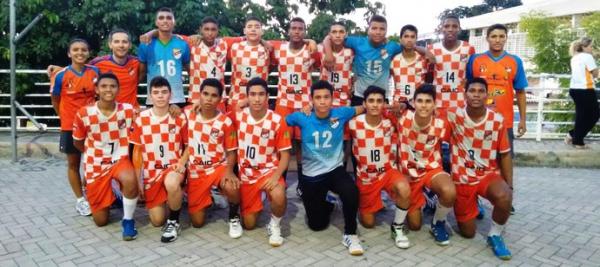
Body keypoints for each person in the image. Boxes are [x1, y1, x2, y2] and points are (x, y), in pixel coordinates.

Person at [286, 80, 364, 255]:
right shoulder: (302, 117)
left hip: (334, 170)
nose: (322, 101)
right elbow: (283, 121)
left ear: (332, 98)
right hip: (311, 176)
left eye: (326, 97)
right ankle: (329, 200)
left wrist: (394, 106)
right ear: (311, 100)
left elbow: (362, 108)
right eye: (318, 98)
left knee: (351, 190)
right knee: (317, 225)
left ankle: (351, 234)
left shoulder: (340, 113)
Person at [447, 78, 514, 260]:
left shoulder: (497, 120)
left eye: (481, 91)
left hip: (487, 175)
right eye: (472, 90)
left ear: (487, 95)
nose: (476, 94)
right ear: (465, 94)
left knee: (505, 196)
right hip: (462, 179)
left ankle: (494, 235)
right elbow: (426, 118)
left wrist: (510, 186)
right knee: (468, 233)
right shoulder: (453, 116)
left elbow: (505, 154)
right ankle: (472, 203)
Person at [72, 73, 139, 240]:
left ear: (118, 89)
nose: (108, 89)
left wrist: (173, 108)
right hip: (96, 163)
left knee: (130, 179)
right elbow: (78, 143)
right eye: (104, 86)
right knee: (101, 221)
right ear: (96, 89)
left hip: (119, 159)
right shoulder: (84, 113)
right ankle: (113, 196)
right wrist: (92, 156)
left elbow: (150, 117)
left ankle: (128, 220)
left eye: (113, 86)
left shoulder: (128, 110)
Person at [347, 86, 411, 249]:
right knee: (368, 223)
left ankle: (397, 226)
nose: (375, 105)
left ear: (384, 104)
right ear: (364, 104)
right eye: (371, 101)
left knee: (404, 187)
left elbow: (413, 112)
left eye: (379, 101)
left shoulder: (391, 121)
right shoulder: (353, 124)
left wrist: (403, 105)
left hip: (387, 172)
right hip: (367, 178)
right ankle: (374, 201)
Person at [179, 78, 243, 238]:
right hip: (196, 171)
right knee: (197, 223)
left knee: (232, 186)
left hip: (217, 167)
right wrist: (174, 106)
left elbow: (231, 152)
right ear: (199, 95)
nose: (208, 98)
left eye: (214, 96)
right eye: (205, 94)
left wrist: (229, 171)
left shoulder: (225, 122)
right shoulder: (188, 113)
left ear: (220, 99)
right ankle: (212, 198)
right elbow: (169, 111)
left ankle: (234, 217)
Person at [322, 15, 433, 106]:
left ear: (386, 31)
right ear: (368, 29)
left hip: (381, 98)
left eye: (382, 29)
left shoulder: (392, 46)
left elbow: (409, 46)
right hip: (360, 96)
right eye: (374, 28)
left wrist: (423, 50)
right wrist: (328, 53)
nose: (378, 32)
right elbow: (332, 37)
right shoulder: (357, 42)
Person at [232, 77, 290, 246]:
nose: (257, 99)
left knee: (279, 195)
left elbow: (285, 155)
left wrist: (276, 176)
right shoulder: (238, 117)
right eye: (253, 94)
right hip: (247, 175)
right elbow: (213, 117)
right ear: (247, 97)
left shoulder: (278, 121)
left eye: (261, 94)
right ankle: (261, 198)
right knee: (249, 225)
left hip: (268, 172)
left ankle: (275, 225)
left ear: (267, 97)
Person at [397, 84, 456, 246]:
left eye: (428, 101)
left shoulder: (441, 125)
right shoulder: (402, 118)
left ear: (434, 104)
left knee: (449, 191)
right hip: (410, 174)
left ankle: (438, 223)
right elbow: (377, 109)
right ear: (413, 102)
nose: (424, 105)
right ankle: (429, 198)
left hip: (431, 169)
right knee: (415, 226)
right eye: (420, 101)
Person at [130, 76, 187, 243]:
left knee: (171, 183)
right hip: (152, 172)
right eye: (156, 92)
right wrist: (139, 181)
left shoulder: (180, 117)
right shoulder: (141, 119)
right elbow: (137, 153)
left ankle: (174, 221)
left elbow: (190, 145)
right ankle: (176, 198)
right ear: (150, 96)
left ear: (171, 94)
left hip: (173, 169)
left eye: (164, 92)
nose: (160, 96)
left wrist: (182, 163)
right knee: (156, 221)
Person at [50, 38, 98, 217]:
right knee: (73, 163)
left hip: (92, 126)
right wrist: (63, 117)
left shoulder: (95, 71)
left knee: (94, 161)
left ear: (88, 53)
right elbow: (55, 99)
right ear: (69, 53)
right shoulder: (61, 75)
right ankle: (80, 200)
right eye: (76, 50)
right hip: (70, 126)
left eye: (84, 50)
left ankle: (92, 193)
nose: (80, 53)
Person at [467, 23, 528, 154]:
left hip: (504, 121)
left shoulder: (515, 61)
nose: (498, 40)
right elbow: (466, 88)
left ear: (506, 38)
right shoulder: (475, 60)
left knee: (505, 159)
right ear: (487, 38)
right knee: (479, 158)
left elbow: (521, 93)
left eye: (501, 36)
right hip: (478, 119)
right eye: (494, 36)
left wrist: (523, 120)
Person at [49, 29, 141, 108]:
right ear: (110, 44)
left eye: (124, 42)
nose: (121, 45)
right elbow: (79, 67)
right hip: (108, 113)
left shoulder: (137, 62)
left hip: (131, 112)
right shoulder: (98, 63)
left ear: (130, 45)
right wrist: (60, 68)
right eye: (116, 42)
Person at [138, 7, 190, 106]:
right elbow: (141, 73)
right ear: (156, 22)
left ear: (174, 22)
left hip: (177, 98)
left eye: (169, 18)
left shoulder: (182, 44)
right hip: (154, 98)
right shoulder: (146, 44)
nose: (165, 20)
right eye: (161, 18)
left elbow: (191, 71)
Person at [228, 16, 271, 111]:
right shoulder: (234, 46)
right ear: (244, 30)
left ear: (262, 31)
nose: (253, 29)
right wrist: (199, 36)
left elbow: (293, 43)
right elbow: (212, 39)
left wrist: (309, 41)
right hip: (236, 99)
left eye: (257, 27)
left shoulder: (269, 48)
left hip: (259, 101)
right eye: (250, 26)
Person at [565, 37, 599, 149]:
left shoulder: (575, 57)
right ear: (584, 47)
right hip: (586, 89)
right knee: (594, 115)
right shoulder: (588, 57)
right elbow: (595, 74)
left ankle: (573, 136)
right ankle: (577, 140)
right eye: (590, 46)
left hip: (574, 89)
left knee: (582, 116)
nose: (592, 48)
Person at [391, 24, 428, 105]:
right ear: (400, 39)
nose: (409, 40)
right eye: (406, 36)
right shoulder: (394, 60)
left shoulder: (424, 60)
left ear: (416, 39)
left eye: (412, 37)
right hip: (398, 104)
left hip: (419, 104)